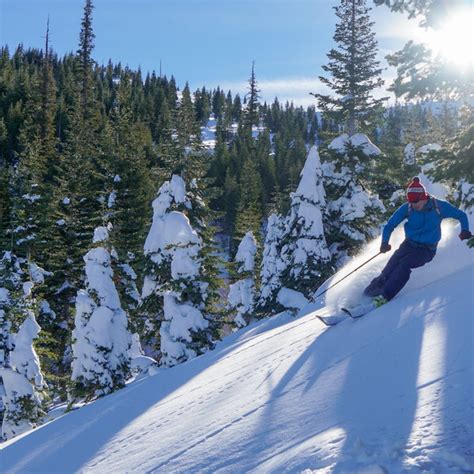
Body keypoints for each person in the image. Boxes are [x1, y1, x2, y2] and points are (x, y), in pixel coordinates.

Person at [364, 177, 471, 305]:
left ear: (424, 197)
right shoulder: (408, 208)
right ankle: (368, 293)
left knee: (405, 263)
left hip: (427, 249)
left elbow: (461, 215)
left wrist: (464, 230)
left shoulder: (439, 207)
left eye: (415, 201)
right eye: (410, 201)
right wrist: (384, 243)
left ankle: (385, 296)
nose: (413, 205)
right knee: (392, 265)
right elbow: (389, 226)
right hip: (409, 244)